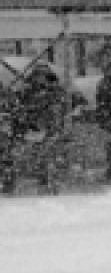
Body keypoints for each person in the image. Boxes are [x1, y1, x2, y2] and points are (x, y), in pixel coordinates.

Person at [11, 64, 71, 195]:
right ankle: (43, 183)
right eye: (37, 75)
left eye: (43, 75)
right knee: (40, 159)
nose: (40, 79)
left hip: (52, 130)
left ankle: (52, 184)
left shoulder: (56, 91)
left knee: (50, 158)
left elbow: (62, 109)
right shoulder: (27, 92)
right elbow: (19, 109)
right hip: (34, 131)